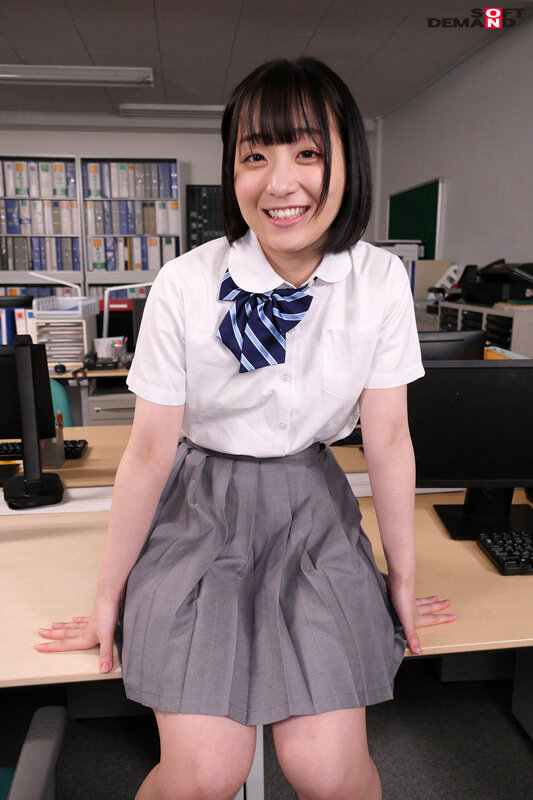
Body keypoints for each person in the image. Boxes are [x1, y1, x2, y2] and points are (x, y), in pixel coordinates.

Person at [35, 57, 457, 800]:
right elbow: (148, 452)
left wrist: (400, 578)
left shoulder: (378, 280)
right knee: (206, 774)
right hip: (199, 511)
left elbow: (388, 439)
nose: (279, 182)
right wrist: (108, 596)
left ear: (347, 163)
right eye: (254, 156)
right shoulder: (184, 283)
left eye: (307, 152)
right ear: (233, 170)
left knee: (328, 772)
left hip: (313, 511)